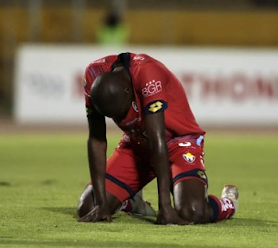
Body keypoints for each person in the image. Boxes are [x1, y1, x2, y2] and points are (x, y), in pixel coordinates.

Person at [77, 52, 238, 225]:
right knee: (88, 207)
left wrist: (165, 206)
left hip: (178, 142)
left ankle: (227, 203)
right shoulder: (92, 74)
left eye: (120, 113)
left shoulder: (148, 72)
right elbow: (97, 139)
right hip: (137, 143)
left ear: (128, 90)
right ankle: (131, 202)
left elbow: (158, 138)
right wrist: (102, 204)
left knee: (192, 211)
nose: (119, 119)